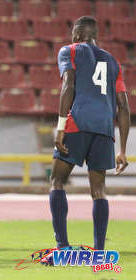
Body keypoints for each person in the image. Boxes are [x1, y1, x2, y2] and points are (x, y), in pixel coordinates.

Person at [49, 16, 129, 252]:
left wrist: (61, 126)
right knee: (99, 190)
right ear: (95, 35)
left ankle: (63, 246)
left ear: (76, 35)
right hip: (104, 128)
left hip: (77, 122)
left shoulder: (69, 50)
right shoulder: (113, 61)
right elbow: (124, 107)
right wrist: (123, 150)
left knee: (56, 181)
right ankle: (99, 250)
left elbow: (69, 85)